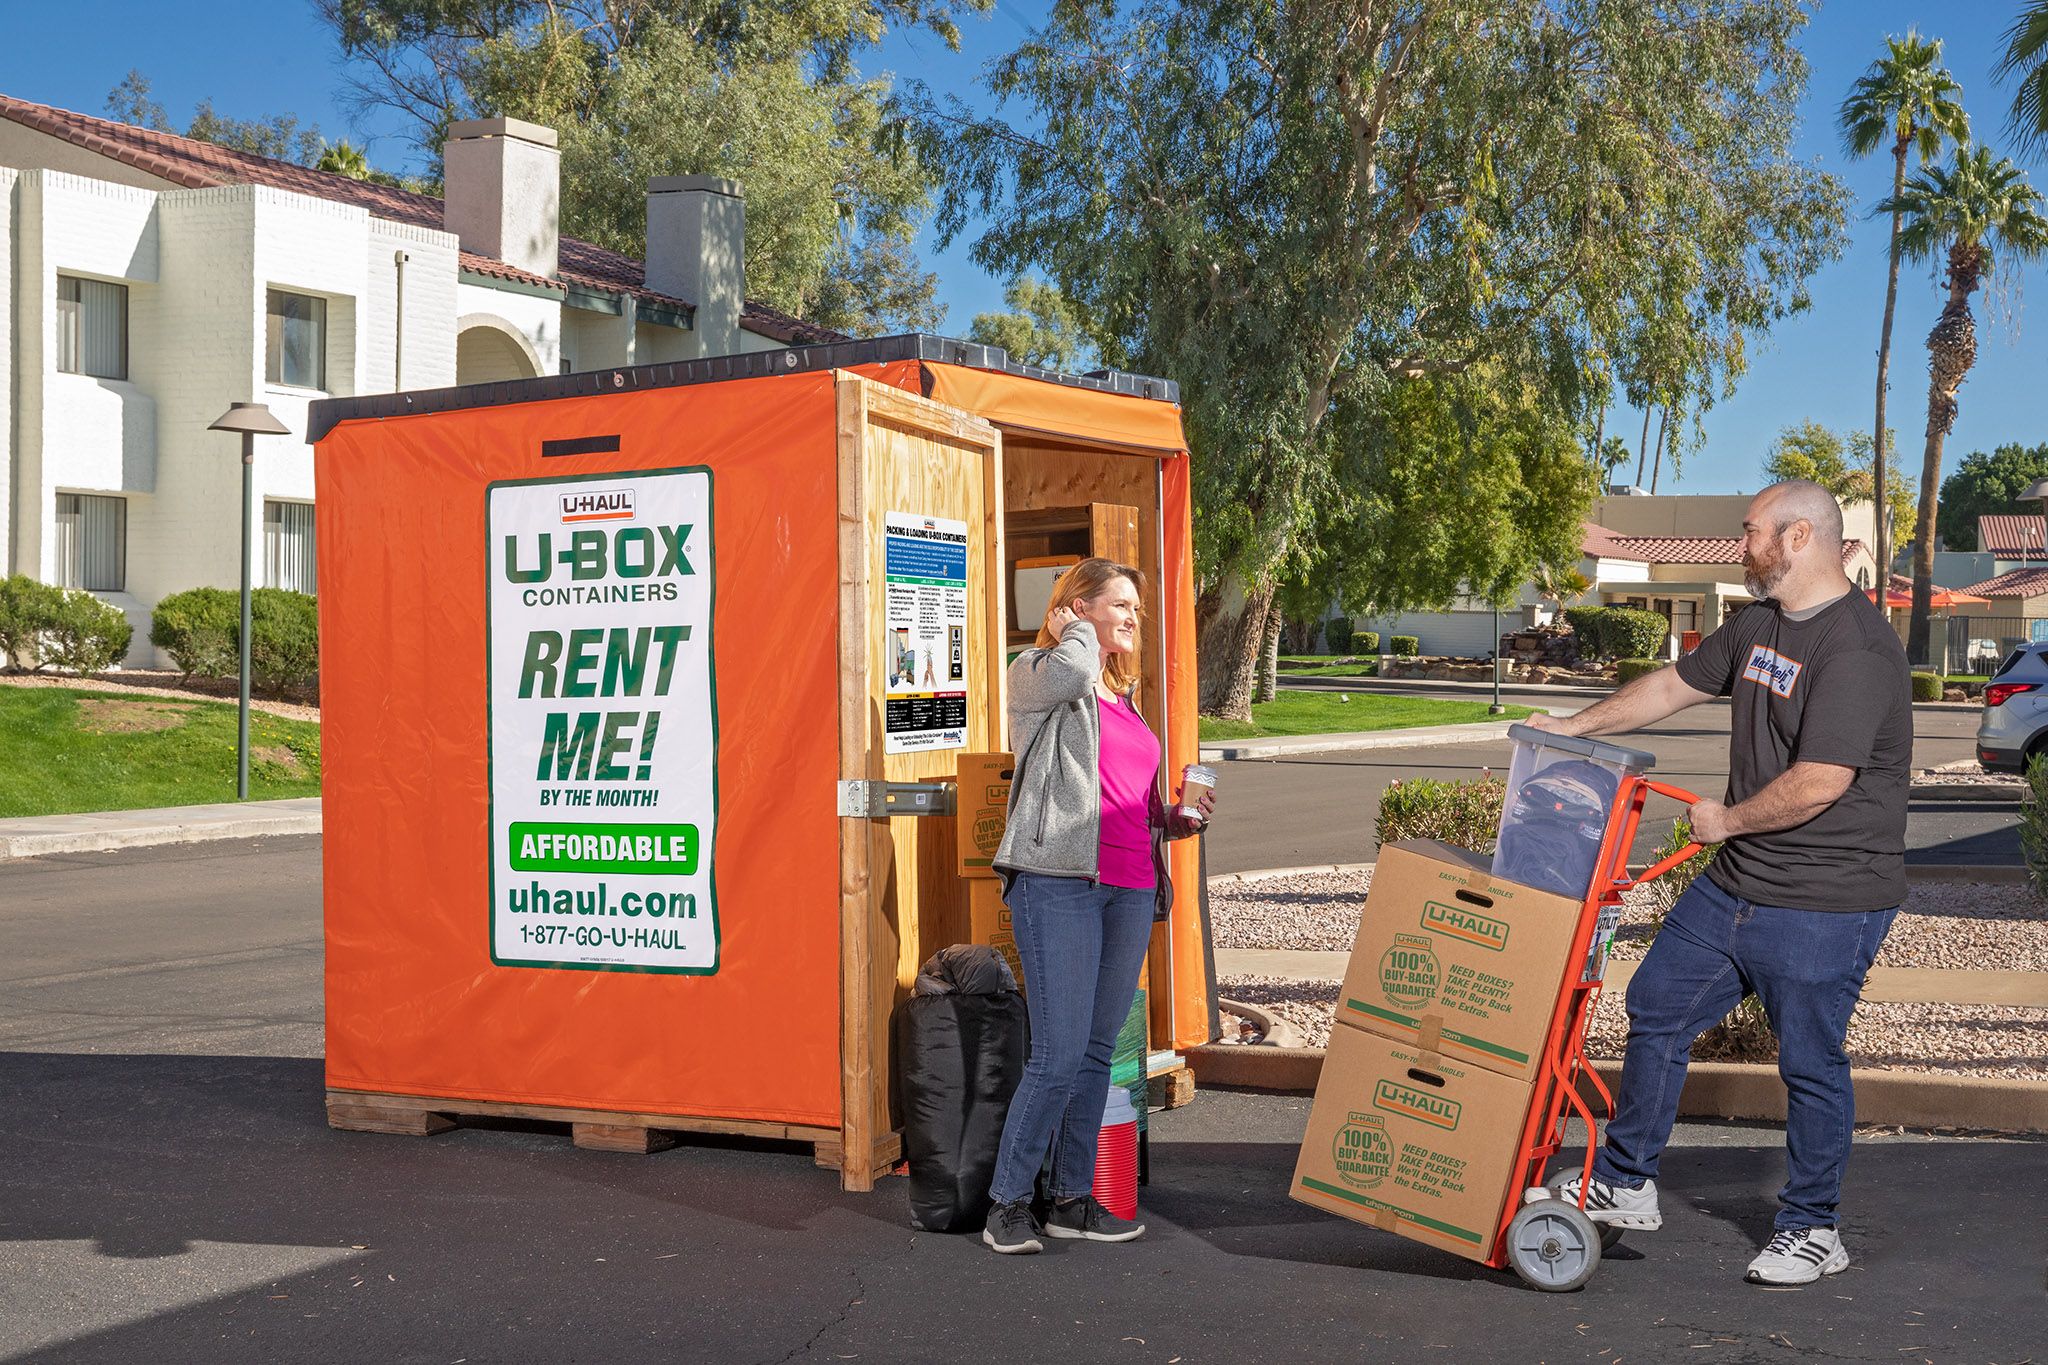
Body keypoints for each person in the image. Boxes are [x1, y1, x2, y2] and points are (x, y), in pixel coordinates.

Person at [1525, 479, 1909, 1287]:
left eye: (1751, 531)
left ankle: (1813, 1227)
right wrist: (1570, 727)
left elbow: (1823, 780)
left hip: (1826, 897)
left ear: (1798, 537)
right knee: (1657, 1004)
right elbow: (1671, 685)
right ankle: (1627, 1180)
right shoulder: (1758, 623)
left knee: (1809, 1061)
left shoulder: (1859, 649)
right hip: (1736, 883)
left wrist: (1726, 821)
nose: (1741, 545)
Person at [982, 557, 1216, 1255]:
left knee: (1094, 1054)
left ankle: (1072, 1200)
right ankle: (1006, 1205)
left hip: (1130, 887)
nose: (1134, 618)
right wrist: (1075, 634)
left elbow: (1122, 798)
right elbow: (1073, 672)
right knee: (1056, 1055)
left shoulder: (1121, 695)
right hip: (1059, 883)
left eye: (1136, 608)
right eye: (1121, 605)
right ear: (1078, 607)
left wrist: (1172, 817)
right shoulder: (1038, 673)